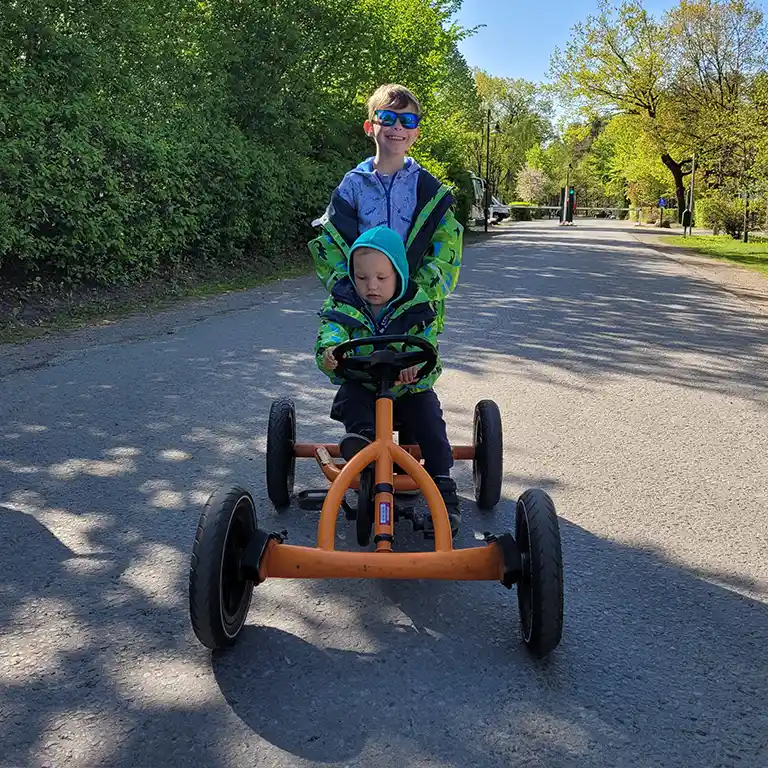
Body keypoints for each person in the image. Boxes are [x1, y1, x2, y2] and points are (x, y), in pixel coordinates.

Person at [315, 225, 461, 536]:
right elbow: (332, 332)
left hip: (407, 389)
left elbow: (428, 347)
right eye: (362, 277)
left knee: (428, 414)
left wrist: (416, 370)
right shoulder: (344, 303)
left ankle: (443, 486)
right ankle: (364, 447)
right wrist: (329, 353)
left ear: (398, 274)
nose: (371, 286)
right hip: (365, 386)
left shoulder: (418, 306)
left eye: (382, 278)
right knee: (349, 396)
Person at [309, 83, 463, 334]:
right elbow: (329, 242)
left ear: (416, 133)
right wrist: (352, 288)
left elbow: (446, 248)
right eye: (388, 117)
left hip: (413, 311)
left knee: (411, 368)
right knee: (354, 367)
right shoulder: (352, 185)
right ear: (370, 127)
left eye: (408, 120)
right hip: (361, 306)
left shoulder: (428, 190)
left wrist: (413, 295)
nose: (398, 126)